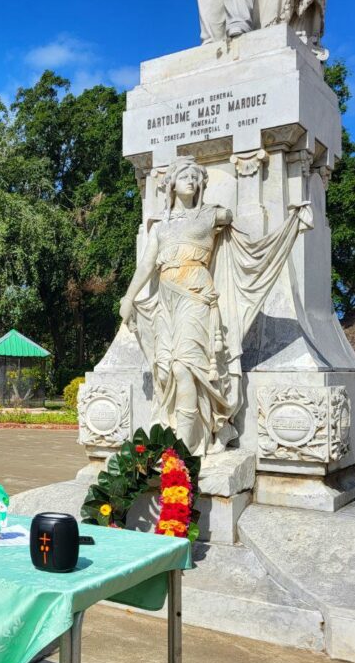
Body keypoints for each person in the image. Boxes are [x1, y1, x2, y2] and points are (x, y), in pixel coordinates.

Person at [119, 156, 311, 454]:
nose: (191, 181)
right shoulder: (160, 226)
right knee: (167, 371)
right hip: (165, 299)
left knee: (184, 368)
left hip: (197, 296)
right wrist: (129, 297)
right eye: (185, 176)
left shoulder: (212, 215)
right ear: (170, 183)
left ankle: (182, 451)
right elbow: (146, 265)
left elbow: (238, 229)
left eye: (196, 177)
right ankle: (197, 433)